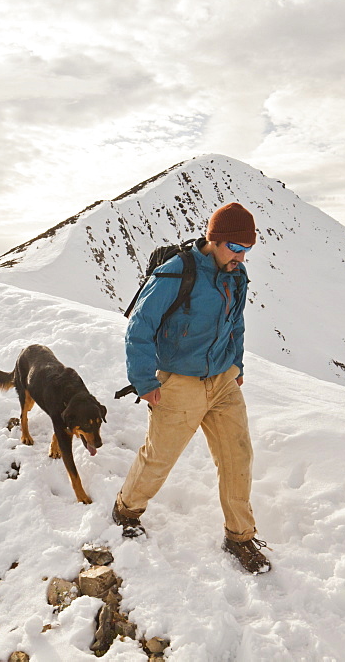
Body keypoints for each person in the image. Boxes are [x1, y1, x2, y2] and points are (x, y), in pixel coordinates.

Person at [112, 202, 271, 574]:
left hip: (223, 381)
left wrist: (237, 365)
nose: (242, 257)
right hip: (179, 383)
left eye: (248, 250)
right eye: (235, 248)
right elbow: (139, 329)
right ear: (214, 240)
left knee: (238, 458)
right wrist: (145, 382)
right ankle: (126, 509)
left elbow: (236, 324)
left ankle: (240, 538)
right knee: (159, 458)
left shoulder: (236, 275)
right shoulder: (176, 273)